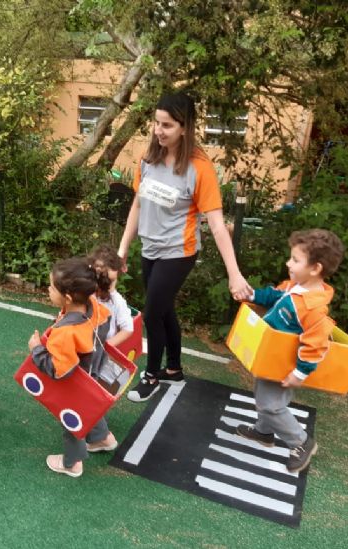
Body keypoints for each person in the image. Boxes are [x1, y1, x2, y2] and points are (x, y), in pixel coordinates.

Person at [117, 91, 252, 403]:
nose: (158, 130)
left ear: (185, 127)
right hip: (150, 248)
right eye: (156, 123)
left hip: (179, 252)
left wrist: (234, 274)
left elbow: (217, 225)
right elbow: (137, 205)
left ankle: (151, 375)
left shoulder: (199, 168)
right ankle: (174, 369)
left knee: (152, 313)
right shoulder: (148, 159)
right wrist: (123, 248)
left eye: (167, 125)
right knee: (164, 310)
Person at [234, 229, 344, 473]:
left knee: (271, 405)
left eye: (295, 260)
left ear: (315, 268)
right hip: (271, 356)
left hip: (285, 364)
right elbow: (274, 295)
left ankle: (301, 442)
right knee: (262, 393)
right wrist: (252, 294)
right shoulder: (296, 286)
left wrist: (300, 373)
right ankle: (264, 432)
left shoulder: (314, 308)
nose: (288, 263)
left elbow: (316, 345)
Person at [28, 257, 118, 478]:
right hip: (93, 374)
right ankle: (103, 439)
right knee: (90, 407)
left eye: (51, 287)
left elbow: (59, 370)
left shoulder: (66, 333)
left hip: (77, 385)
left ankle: (72, 463)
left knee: (72, 422)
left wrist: (37, 349)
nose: (48, 290)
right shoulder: (93, 306)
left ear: (67, 297)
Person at [88, 244, 133, 348]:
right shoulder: (88, 292)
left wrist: (105, 347)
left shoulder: (116, 301)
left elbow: (127, 328)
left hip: (99, 349)